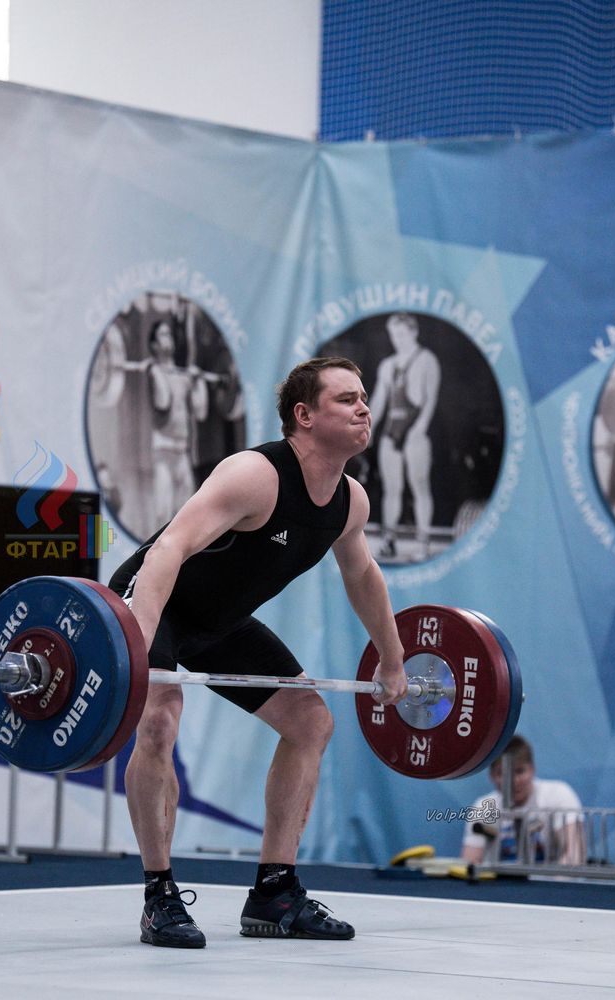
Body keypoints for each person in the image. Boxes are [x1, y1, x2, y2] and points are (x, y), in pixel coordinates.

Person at [109, 356, 408, 948]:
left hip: (219, 623)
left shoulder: (350, 501)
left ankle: (274, 893)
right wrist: (140, 644)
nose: (363, 408)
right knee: (159, 719)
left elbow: (362, 575)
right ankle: (159, 896)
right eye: (346, 399)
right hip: (156, 599)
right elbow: (167, 550)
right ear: (304, 415)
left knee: (310, 722)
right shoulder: (254, 475)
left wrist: (393, 658)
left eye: (363, 397)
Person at [367, 312, 441, 561]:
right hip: (392, 430)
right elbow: (379, 401)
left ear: (414, 332)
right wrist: (368, 427)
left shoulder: (427, 360)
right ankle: (389, 541)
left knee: (419, 485)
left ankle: (423, 542)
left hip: (416, 428)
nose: (397, 339)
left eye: (401, 334)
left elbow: (430, 399)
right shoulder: (387, 365)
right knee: (391, 488)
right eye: (393, 334)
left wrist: (419, 429)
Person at [461, 735, 584, 866]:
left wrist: (556, 878)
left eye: (519, 771)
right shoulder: (483, 807)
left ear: (532, 769)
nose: (513, 781)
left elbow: (574, 855)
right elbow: (469, 863)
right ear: (492, 776)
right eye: (503, 774)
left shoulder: (558, 794)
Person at [146, 319, 208, 524]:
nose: (169, 338)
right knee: (163, 515)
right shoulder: (154, 372)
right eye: (163, 335)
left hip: (182, 452)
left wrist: (199, 384)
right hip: (163, 452)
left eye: (169, 334)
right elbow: (163, 401)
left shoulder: (184, 376)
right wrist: (157, 372)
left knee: (187, 518)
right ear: (154, 345)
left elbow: (200, 412)